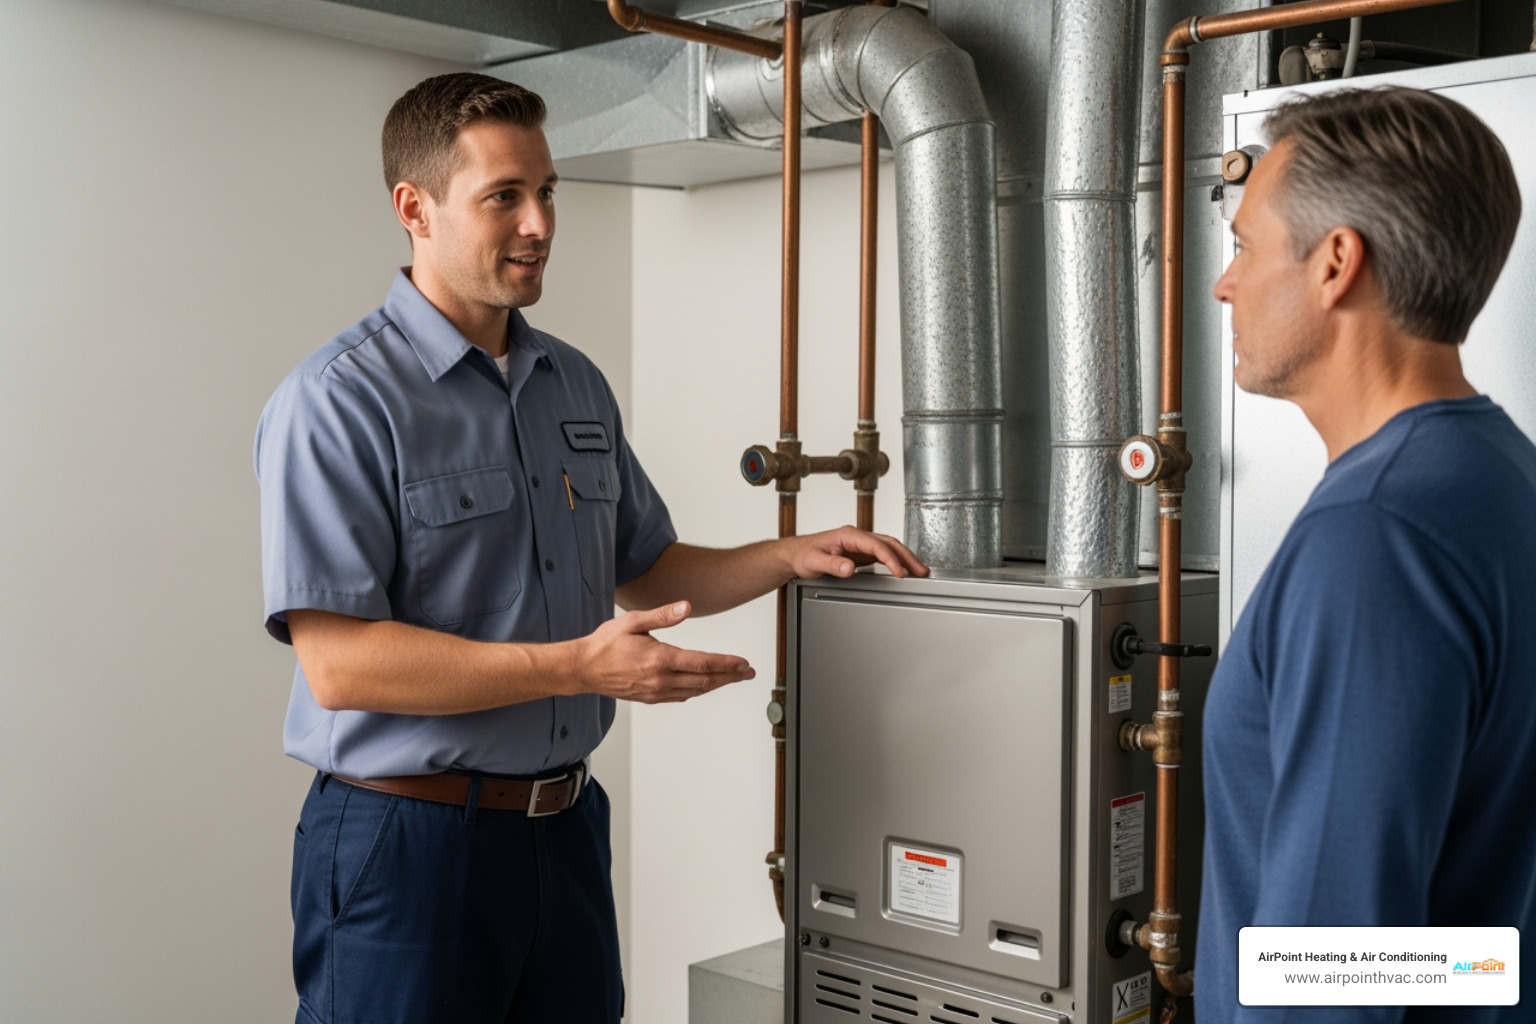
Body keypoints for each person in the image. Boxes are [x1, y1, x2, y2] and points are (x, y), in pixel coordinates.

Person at [254, 72, 927, 1024]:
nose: (538, 224)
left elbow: (643, 568)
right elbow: (340, 665)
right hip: (406, 844)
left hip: (563, 831)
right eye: (503, 197)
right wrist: (578, 666)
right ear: (415, 208)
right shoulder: (337, 401)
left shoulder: (571, 383)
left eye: (546, 191)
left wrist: (789, 554)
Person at [1197, 85, 1534, 1023]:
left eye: (1245, 247)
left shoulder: (1374, 537)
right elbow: (1472, 939)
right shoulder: (1501, 477)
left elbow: (1329, 974)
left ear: (1337, 263)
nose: (1225, 284)